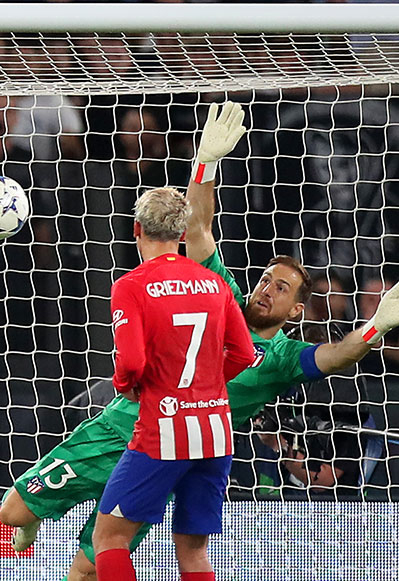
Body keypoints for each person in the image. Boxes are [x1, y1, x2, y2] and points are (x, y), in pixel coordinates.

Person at [0, 102, 399, 580]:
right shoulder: (217, 290)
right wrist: (204, 164)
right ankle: (29, 524)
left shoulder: (285, 357)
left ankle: (34, 524)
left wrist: (376, 327)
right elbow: (200, 226)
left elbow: (338, 353)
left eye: (281, 288)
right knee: (45, 530)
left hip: (160, 442)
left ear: (295, 312)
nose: (267, 288)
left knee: (93, 558)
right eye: (266, 279)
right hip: (135, 433)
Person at [90, 186, 256, 581]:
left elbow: (131, 361)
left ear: (136, 230)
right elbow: (246, 354)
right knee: (194, 553)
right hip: (216, 432)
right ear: (182, 235)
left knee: (110, 538)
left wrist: (125, 383)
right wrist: (208, 382)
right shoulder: (213, 284)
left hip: (164, 431)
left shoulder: (130, 286)